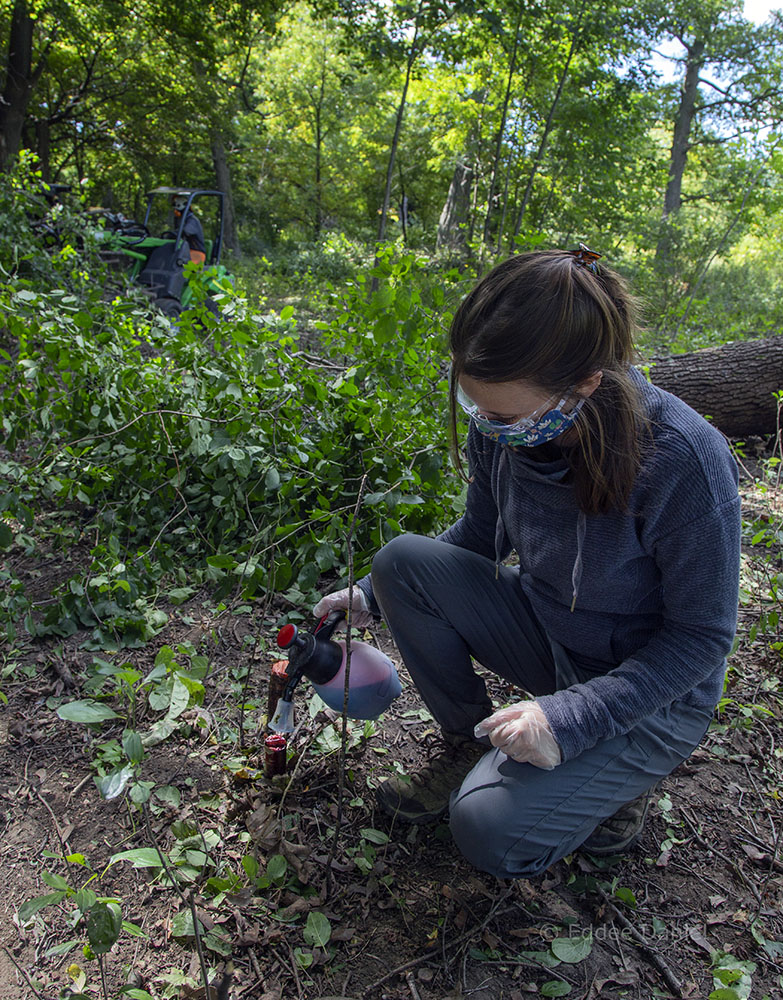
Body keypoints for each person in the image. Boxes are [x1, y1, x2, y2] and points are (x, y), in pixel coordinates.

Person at [313, 246, 741, 879]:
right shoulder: (504, 428)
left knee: (486, 830)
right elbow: (479, 536)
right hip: (551, 634)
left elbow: (701, 637)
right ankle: (469, 740)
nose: (487, 427)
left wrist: (570, 717)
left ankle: (617, 785)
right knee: (400, 562)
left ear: (586, 382)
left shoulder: (680, 459)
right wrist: (371, 596)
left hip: (652, 692)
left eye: (504, 414)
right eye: (475, 408)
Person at [171, 194, 206, 264]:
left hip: (196, 252)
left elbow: (185, 231)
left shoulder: (192, 221)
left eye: (177, 210)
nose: (175, 212)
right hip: (184, 251)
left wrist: (174, 233)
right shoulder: (181, 220)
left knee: (178, 264)